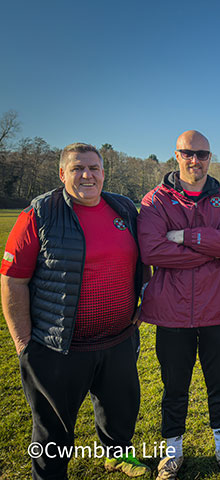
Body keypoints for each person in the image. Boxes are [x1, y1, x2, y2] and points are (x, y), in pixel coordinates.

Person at [1, 142, 149, 479]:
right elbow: (12, 281)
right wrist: (23, 343)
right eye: (77, 168)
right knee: (52, 427)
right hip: (58, 346)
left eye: (94, 168)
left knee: (120, 410)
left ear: (103, 172)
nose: (87, 175)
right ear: (62, 174)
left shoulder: (123, 209)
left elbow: (144, 260)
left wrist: (146, 295)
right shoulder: (39, 214)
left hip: (119, 339)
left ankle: (118, 454)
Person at [137, 130, 220, 480]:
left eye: (202, 154)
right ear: (176, 155)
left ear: (210, 158)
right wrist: (209, 253)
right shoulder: (155, 200)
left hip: (218, 311)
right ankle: (172, 452)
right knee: (174, 387)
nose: (195, 160)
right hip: (172, 312)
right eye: (188, 153)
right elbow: (152, 250)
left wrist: (186, 237)